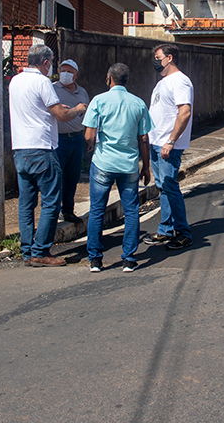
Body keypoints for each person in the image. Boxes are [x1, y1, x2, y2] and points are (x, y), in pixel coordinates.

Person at [9, 45, 87, 267]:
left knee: (26, 203)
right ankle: (41, 251)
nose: (52, 67)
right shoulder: (43, 82)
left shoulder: (16, 80)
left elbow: (34, 107)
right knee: (52, 201)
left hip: (20, 149)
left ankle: (27, 251)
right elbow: (62, 116)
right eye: (52, 62)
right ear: (45, 62)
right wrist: (77, 109)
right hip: (42, 148)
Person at [83, 63, 152, 272]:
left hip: (103, 162)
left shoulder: (99, 101)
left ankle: (95, 259)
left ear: (108, 78)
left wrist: (91, 147)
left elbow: (89, 134)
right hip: (128, 165)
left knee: (96, 210)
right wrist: (146, 167)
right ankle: (129, 258)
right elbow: (144, 138)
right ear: (126, 80)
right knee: (131, 211)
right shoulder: (138, 103)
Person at [143, 44, 194, 250]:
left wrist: (171, 141)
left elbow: (185, 112)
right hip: (156, 142)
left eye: (158, 57)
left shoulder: (180, 81)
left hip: (168, 145)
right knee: (163, 187)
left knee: (170, 186)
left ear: (169, 58)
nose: (155, 61)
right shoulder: (162, 82)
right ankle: (165, 230)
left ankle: (183, 233)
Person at [52, 59, 89, 224]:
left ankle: (68, 210)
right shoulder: (53, 89)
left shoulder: (82, 92)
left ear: (76, 75)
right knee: (56, 177)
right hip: (59, 140)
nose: (65, 74)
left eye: (69, 71)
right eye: (62, 71)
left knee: (72, 177)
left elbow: (88, 115)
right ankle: (53, 212)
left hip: (77, 138)